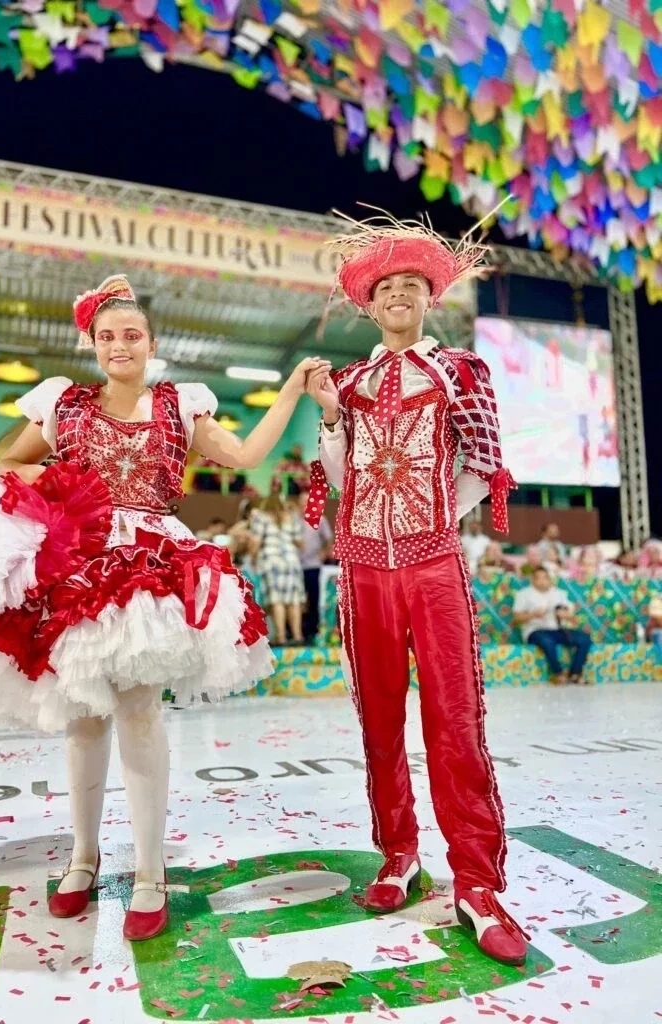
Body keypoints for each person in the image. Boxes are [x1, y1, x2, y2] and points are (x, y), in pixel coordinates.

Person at [0, 274, 328, 943]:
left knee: (139, 711)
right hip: (80, 560)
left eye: (131, 335)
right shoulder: (62, 405)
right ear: (93, 343)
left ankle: (151, 871)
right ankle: (82, 859)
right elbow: (10, 461)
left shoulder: (182, 404)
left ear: (151, 343)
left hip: (153, 564)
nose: (119, 345)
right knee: (85, 715)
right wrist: (68, 485)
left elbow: (244, 456)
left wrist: (294, 388)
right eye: (107, 337)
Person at [303, 212, 527, 967]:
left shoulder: (458, 371)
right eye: (386, 287)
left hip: (432, 568)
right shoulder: (349, 384)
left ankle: (477, 883)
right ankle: (398, 854)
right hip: (362, 569)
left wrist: (433, 522)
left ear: (429, 297)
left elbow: (481, 464)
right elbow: (340, 483)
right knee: (379, 724)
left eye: (411, 285)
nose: (398, 295)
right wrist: (332, 423)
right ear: (369, 305)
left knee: (454, 721)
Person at [512, 567, 592, 685]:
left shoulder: (559, 593)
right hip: (535, 630)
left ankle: (574, 674)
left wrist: (565, 615)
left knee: (584, 639)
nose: (542, 581)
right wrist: (532, 615)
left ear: (550, 579)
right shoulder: (524, 594)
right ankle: (558, 674)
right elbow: (516, 619)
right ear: (532, 580)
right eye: (538, 578)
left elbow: (571, 616)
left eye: (545, 578)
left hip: (557, 630)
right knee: (547, 641)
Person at [250, 495, 305, 646]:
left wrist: (253, 557)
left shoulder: (261, 517)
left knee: (276, 600)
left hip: (271, 560)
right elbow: (300, 543)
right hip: (292, 561)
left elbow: (255, 541)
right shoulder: (292, 517)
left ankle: (281, 636)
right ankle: (298, 635)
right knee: (294, 600)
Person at [297, 490, 333, 644]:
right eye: (303, 501)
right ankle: (298, 631)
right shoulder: (292, 520)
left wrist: (324, 553)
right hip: (295, 566)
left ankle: (313, 631)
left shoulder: (320, 520)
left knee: (313, 598)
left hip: (313, 566)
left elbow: (329, 538)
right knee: (297, 601)